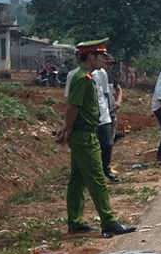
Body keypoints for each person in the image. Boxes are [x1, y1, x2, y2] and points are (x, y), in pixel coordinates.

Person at [54, 38, 136, 238]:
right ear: (90, 56)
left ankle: (74, 221)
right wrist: (68, 131)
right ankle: (108, 222)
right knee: (97, 179)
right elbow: (73, 107)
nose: (104, 60)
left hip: (85, 132)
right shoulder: (82, 78)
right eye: (100, 56)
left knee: (78, 180)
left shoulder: (88, 76)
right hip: (84, 135)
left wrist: (68, 130)